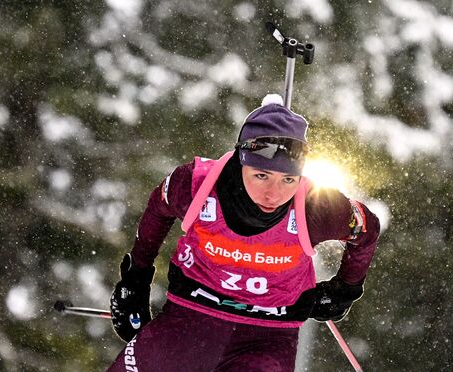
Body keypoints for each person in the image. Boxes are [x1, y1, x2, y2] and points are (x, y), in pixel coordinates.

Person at [107, 94, 380, 372]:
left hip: (269, 335)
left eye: (288, 180)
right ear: (242, 160)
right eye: (261, 175)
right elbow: (159, 206)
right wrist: (136, 277)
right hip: (189, 316)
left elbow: (367, 228)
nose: (274, 194)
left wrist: (345, 288)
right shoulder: (196, 184)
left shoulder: (317, 207)